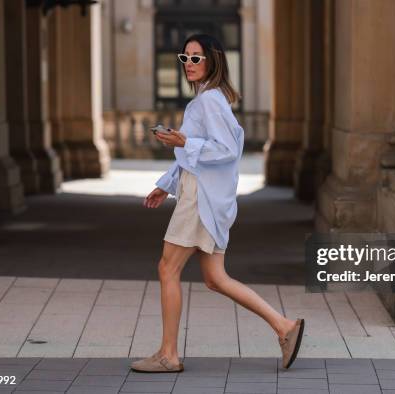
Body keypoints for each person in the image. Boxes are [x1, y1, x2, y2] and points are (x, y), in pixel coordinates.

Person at [130, 34, 304, 373]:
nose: (189, 64)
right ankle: (284, 327)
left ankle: (168, 355)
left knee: (168, 268)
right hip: (206, 198)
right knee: (215, 278)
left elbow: (226, 149)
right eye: (185, 58)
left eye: (197, 58)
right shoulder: (208, 100)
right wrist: (166, 184)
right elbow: (197, 151)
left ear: (213, 60)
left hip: (201, 200)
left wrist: (186, 141)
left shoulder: (209, 101)